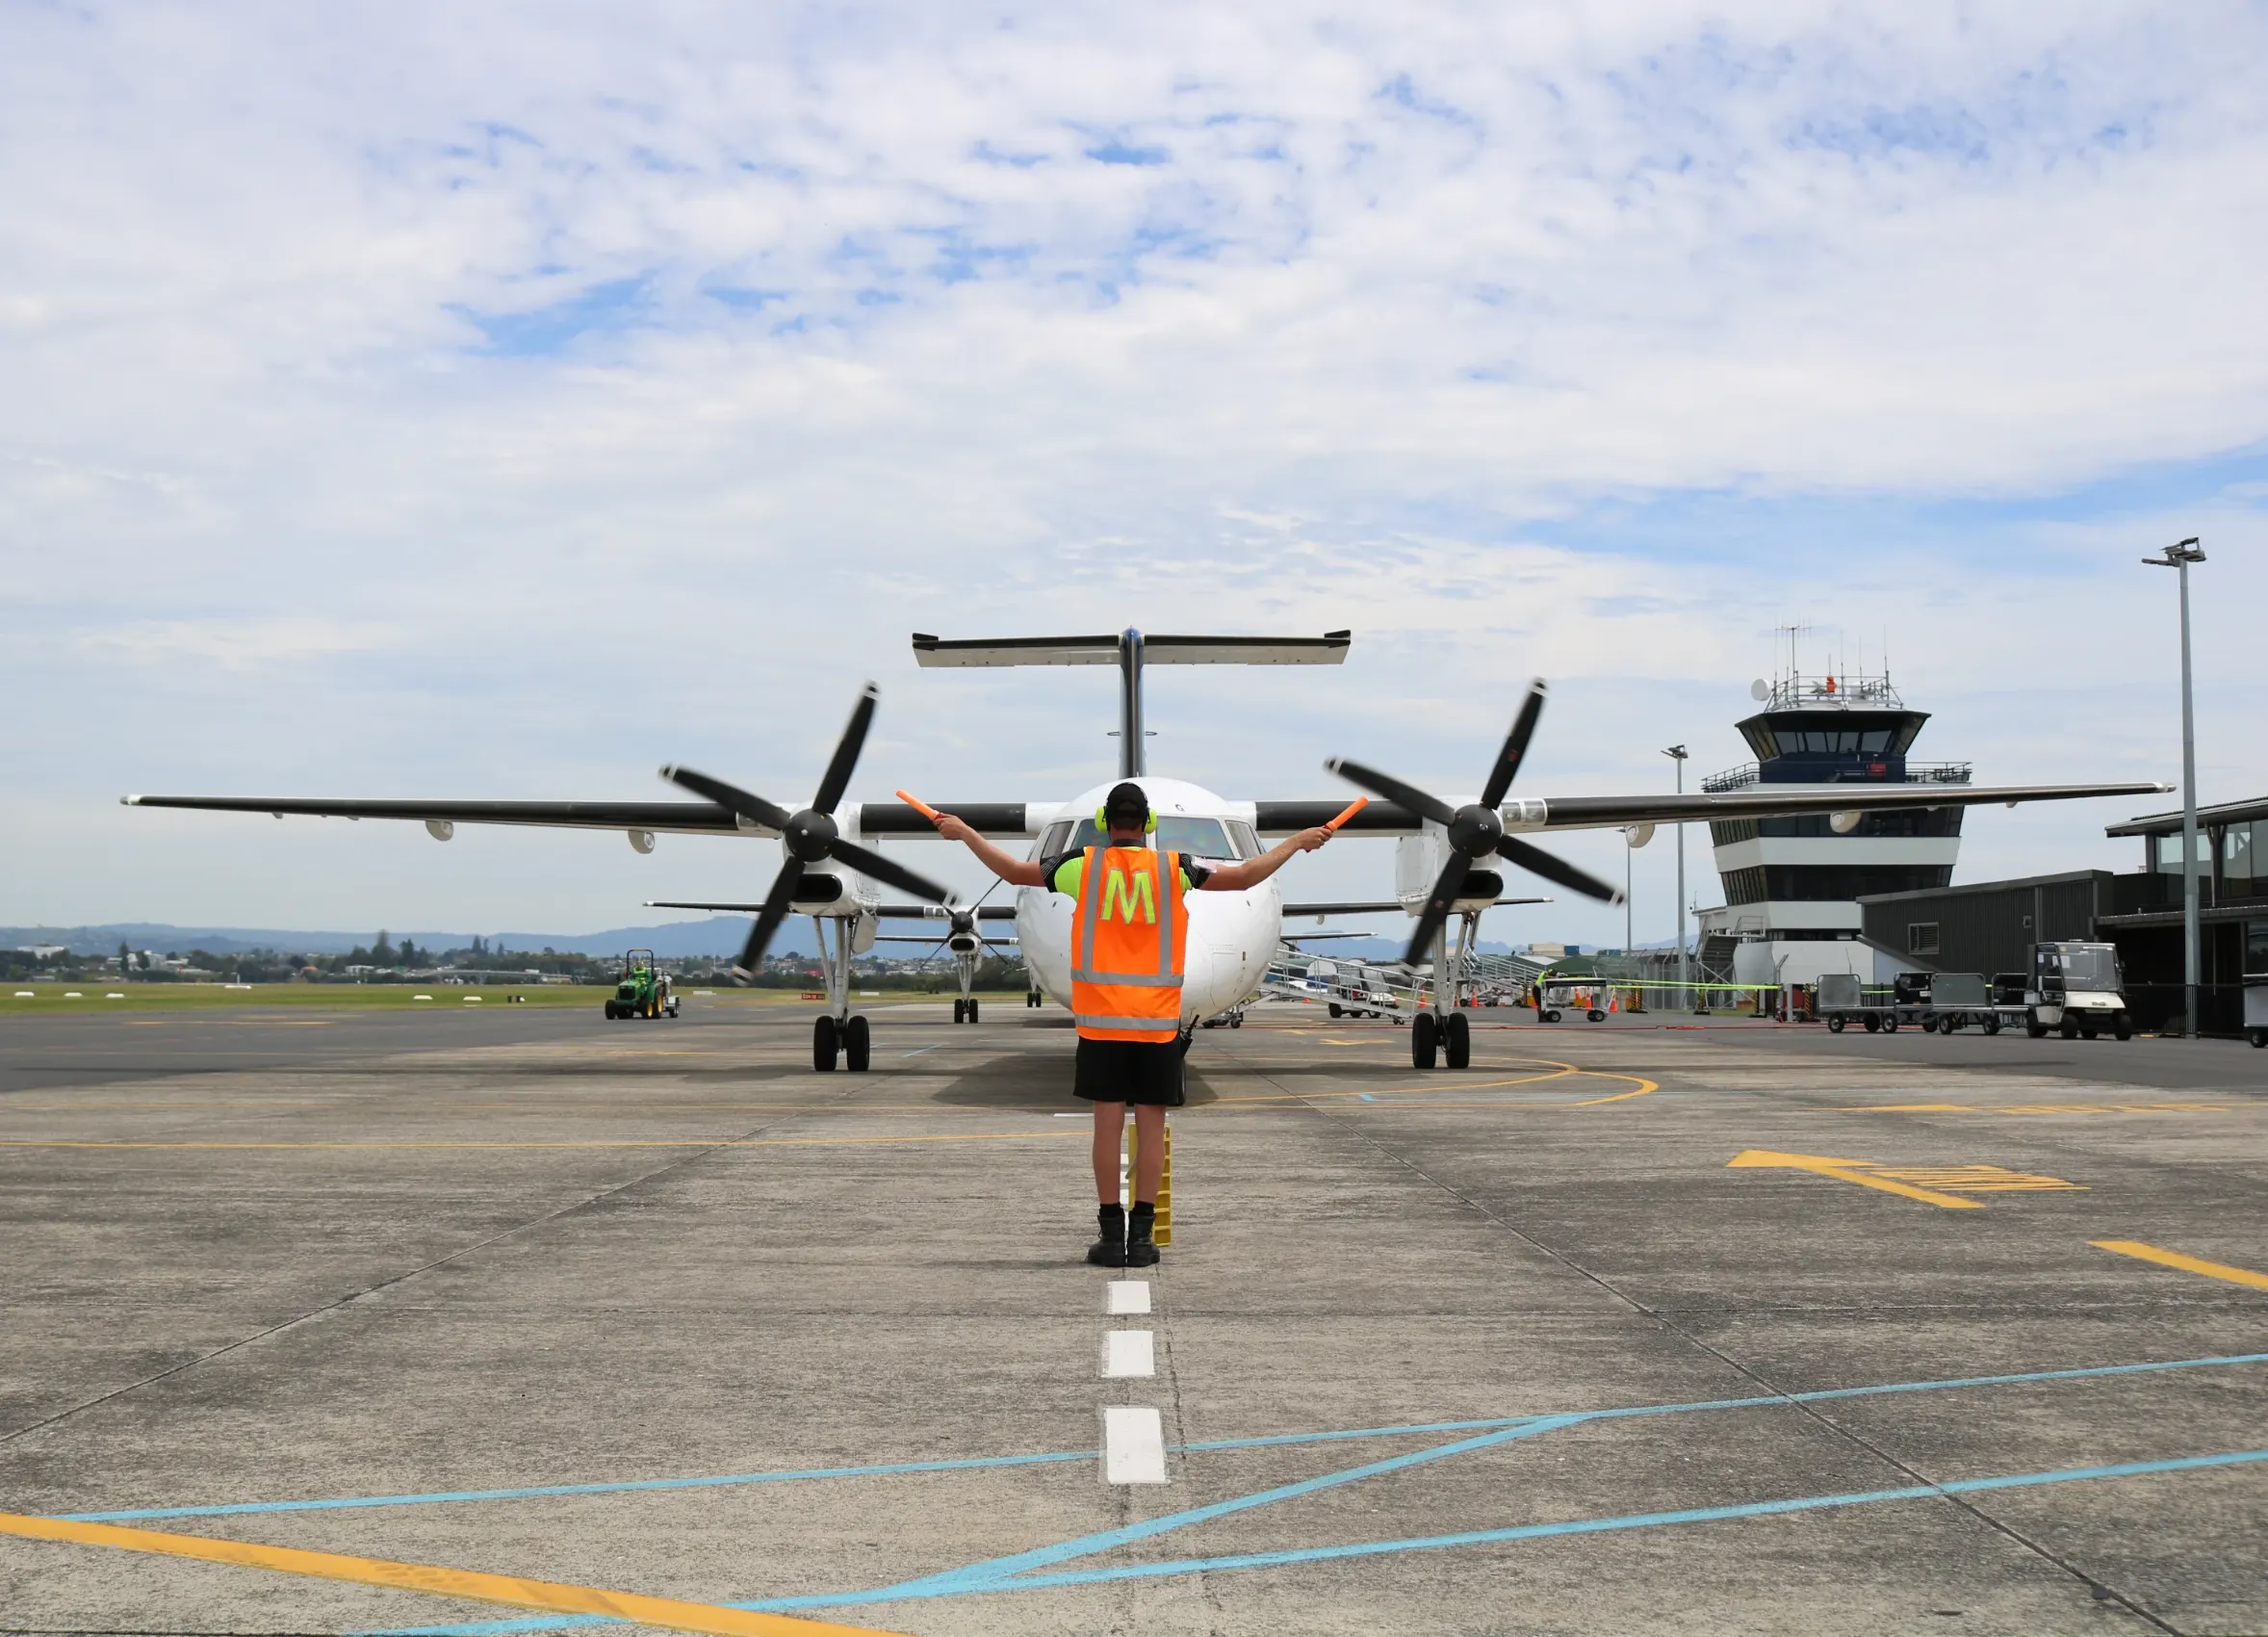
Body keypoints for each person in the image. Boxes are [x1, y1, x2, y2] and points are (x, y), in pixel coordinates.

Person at [930, 782, 1333, 1267]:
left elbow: (1012, 870)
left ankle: (1108, 1234)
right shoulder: (1175, 868)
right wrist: (1295, 842)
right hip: (1159, 1023)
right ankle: (1142, 1239)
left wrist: (964, 833)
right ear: (1149, 825)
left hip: (1101, 1023)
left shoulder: (1082, 867)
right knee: (1151, 1126)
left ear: (1104, 824)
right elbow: (1246, 876)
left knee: (1106, 1131)